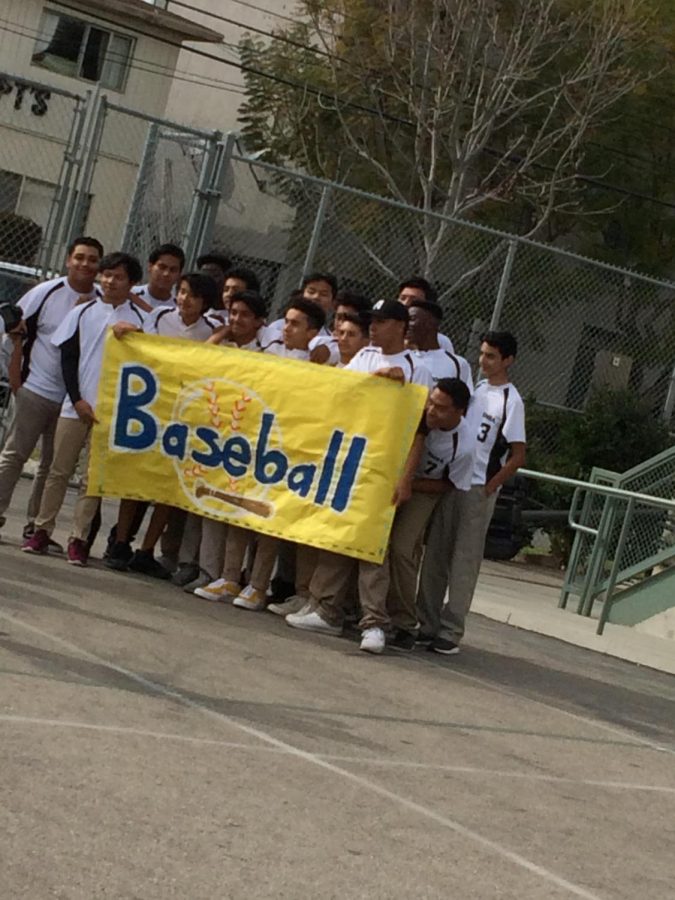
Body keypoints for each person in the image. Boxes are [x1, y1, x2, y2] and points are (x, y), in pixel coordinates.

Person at [286, 379, 473, 652]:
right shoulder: (416, 411)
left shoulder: (464, 445)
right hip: (388, 479)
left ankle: (404, 622)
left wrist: (408, 484)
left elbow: (449, 484)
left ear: (460, 412)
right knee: (365, 536)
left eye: (441, 408)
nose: (432, 411)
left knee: (401, 549)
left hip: (425, 489)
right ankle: (341, 608)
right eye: (431, 402)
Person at [22, 252, 145, 565]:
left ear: (132, 283)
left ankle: (78, 538)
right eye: (106, 275)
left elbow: (148, 365)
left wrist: (137, 337)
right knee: (57, 471)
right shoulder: (83, 311)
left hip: (112, 413)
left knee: (93, 479)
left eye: (118, 277)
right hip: (75, 406)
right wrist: (77, 399)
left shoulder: (140, 321)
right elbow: (69, 358)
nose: (109, 281)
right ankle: (41, 530)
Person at [416, 331, 526, 655]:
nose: (484, 361)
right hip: (453, 479)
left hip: (478, 487)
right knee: (436, 554)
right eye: (482, 354)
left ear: (508, 360)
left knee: (464, 560)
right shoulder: (476, 390)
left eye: (492, 356)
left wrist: (491, 486)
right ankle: (427, 621)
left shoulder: (511, 400)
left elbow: (518, 454)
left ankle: (451, 629)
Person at [105, 272, 219, 578]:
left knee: (168, 485)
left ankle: (146, 550)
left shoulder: (211, 330)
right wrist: (125, 331)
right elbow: (140, 346)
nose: (184, 299)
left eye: (192, 295)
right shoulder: (160, 316)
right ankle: (120, 542)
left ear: (205, 302)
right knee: (137, 478)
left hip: (185, 416)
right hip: (152, 408)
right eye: (181, 292)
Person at [0, 236, 103, 544]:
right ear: (68, 259)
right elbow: (12, 334)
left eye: (92, 259)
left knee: (51, 465)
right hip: (35, 389)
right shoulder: (46, 293)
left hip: (71, 400)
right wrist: (17, 381)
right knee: (14, 454)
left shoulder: (100, 301)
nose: (85, 264)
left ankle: (35, 525)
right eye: (80, 257)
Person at [407, 300, 473, 390]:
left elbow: (462, 399)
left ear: (431, 323)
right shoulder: (403, 359)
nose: (406, 325)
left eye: (412, 319)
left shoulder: (457, 364)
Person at [397, 276, 454, 353]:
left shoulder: (441, 341)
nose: (406, 304)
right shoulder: (382, 333)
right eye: (402, 298)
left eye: (414, 300)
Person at [132, 243, 185, 311]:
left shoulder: (179, 310)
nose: (166, 274)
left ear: (179, 274)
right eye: (162, 267)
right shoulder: (128, 296)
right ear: (150, 266)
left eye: (173, 270)